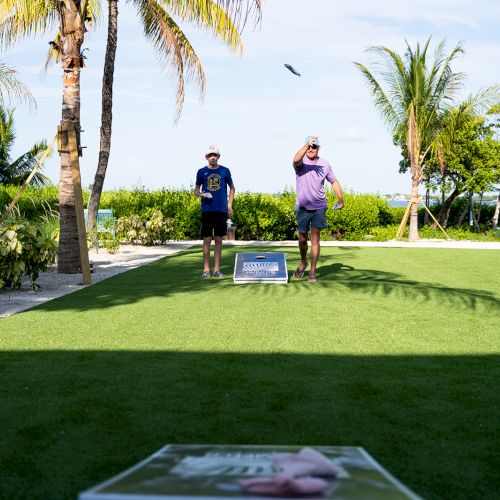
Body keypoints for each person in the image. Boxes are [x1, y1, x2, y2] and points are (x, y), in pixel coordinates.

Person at [292, 135, 344, 282]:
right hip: (302, 207)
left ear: (318, 148)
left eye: (314, 147)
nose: (311, 149)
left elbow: (334, 181)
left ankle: (312, 270)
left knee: (315, 239)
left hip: (319, 207)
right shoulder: (301, 163)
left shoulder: (325, 164)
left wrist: (340, 199)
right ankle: (303, 261)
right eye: (309, 147)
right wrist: (307, 144)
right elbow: (296, 159)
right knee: (302, 239)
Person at [194, 145, 235, 279]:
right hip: (207, 210)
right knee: (206, 239)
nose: (213, 157)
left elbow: (232, 188)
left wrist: (229, 205)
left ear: (218, 157)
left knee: (218, 239)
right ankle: (206, 270)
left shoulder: (225, 171)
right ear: (206, 157)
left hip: (221, 210)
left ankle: (217, 270)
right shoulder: (201, 172)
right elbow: (196, 191)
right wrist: (202, 195)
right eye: (210, 155)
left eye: (215, 155)